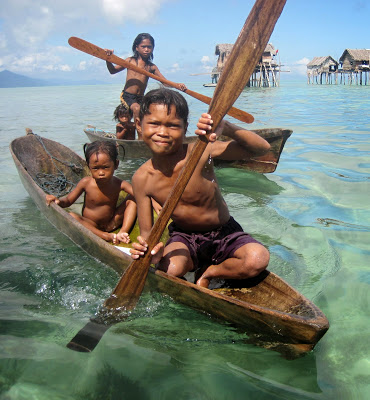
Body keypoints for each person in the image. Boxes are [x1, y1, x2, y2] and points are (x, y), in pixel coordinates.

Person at [130, 88, 271, 288]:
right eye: (154, 124)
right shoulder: (141, 179)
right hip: (184, 236)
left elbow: (263, 149)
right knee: (169, 270)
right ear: (139, 124)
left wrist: (225, 127)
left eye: (172, 126)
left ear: (185, 127)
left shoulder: (201, 152)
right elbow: (147, 233)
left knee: (258, 259)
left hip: (224, 231)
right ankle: (192, 265)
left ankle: (209, 272)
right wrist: (151, 252)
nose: (162, 132)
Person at [46, 141, 136, 245]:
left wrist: (154, 201)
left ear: (116, 164)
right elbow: (68, 201)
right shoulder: (86, 183)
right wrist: (58, 201)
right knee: (72, 216)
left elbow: (140, 195)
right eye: (96, 168)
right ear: (89, 167)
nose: (101, 173)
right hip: (90, 225)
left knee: (134, 198)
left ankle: (123, 232)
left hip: (111, 223)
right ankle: (105, 236)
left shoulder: (120, 184)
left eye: (106, 167)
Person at [105, 33, 187, 136]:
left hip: (141, 98)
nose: (146, 49)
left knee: (151, 113)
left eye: (149, 47)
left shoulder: (151, 67)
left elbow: (164, 82)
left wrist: (177, 85)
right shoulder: (130, 61)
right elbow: (112, 71)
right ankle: (140, 139)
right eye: (143, 47)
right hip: (128, 96)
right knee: (137, 109)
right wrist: (108, 59)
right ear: (137, 47)